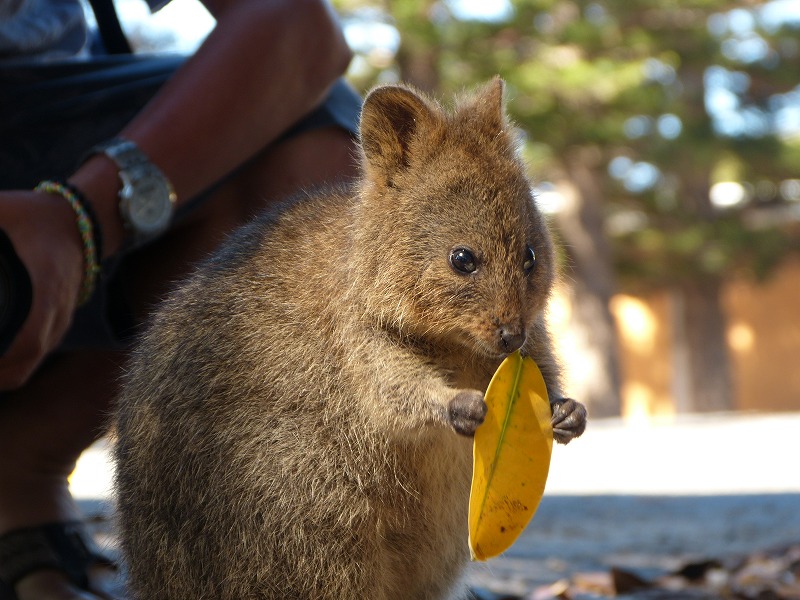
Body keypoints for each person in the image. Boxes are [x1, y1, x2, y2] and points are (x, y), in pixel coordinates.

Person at [0, 0, 362, 598]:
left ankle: (20, 471)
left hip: (35, 139)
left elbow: (299, 30)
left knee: (310, 142)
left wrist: (77, 218)